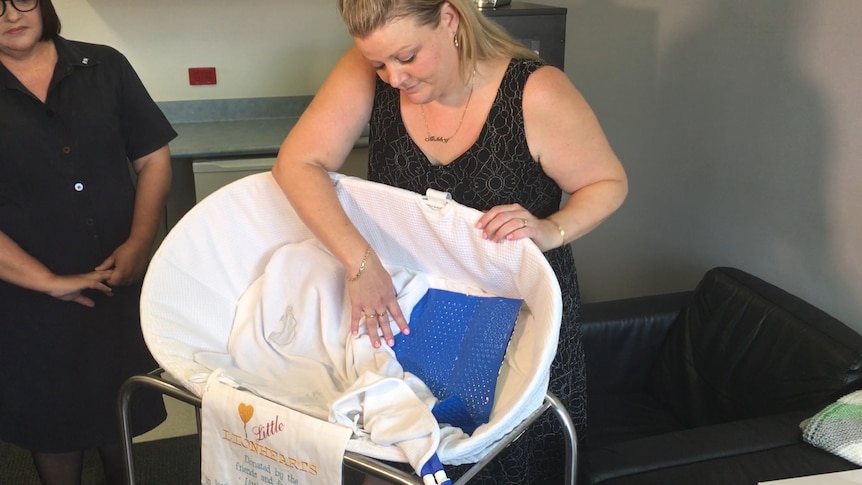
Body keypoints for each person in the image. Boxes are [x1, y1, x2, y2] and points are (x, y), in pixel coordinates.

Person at [272, 0, 627, 482]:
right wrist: (360, 263)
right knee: (408, 456)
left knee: (509, 466)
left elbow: (607, 183)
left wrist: (551, 229)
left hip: (515, 326)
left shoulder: (534, 92)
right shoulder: (366, 72)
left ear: (449, 18)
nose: (394, 78)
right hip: (414, 313)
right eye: (380, 64)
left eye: (408, 57)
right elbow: (297, 164)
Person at [0, 0, 176, 483]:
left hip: (116, 279)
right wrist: (46, 281)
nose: (11, 14)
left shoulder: (104, 65)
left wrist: (141, 241)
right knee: (52, 425)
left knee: (119, 413)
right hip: (26, 296)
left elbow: (154, 158)